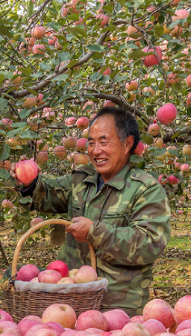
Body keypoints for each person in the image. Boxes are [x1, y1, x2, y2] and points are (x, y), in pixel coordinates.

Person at [13, 105, 171, 316]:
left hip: (117, 309)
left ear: (127, 144)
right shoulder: (81, 180)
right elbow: (47, 194)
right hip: (70, 302)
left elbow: (150, 244)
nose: (95, 150)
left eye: (104, 142)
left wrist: (94, 232)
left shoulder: (145, 189)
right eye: (91, 142)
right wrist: (29, 183)